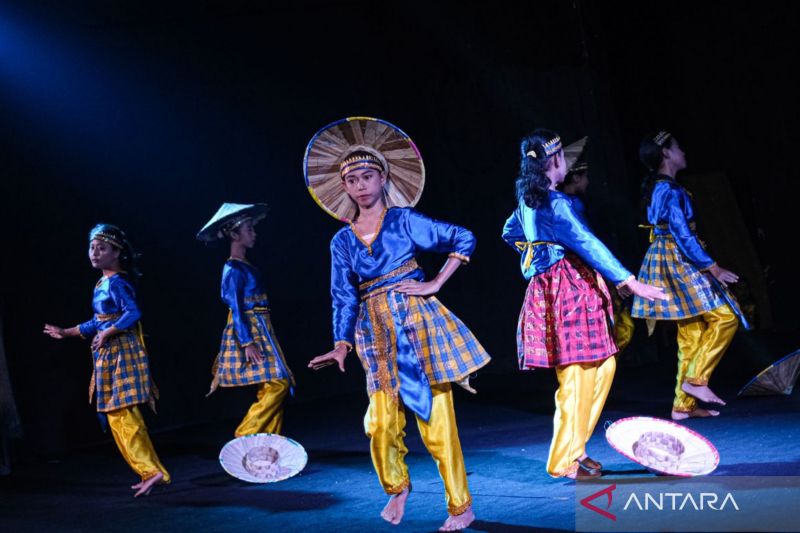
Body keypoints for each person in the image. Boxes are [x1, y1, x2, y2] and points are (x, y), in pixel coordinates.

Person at [305, 117, 490, 531]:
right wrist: (340, 344)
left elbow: (463, 237)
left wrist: (435, 282)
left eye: (367, 176)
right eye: (351, 179)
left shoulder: (405, 221)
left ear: (383, 177)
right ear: (345, 188)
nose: (360, 185)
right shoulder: (342, 241)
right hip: (374, 334)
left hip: (416, 323)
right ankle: (397, 486)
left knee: (438, 423)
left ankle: (461, 506)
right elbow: (342, 295)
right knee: (379, 424)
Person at [502, 129, 666, 480]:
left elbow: (509, 232)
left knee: (603, 365)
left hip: (560, 289)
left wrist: (537, 252)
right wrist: (629, 280)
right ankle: (565, 459)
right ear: (555, 161)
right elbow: (587, 243)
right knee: (578, 376)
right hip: (566, 291)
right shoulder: (555, 202)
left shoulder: (531, 200)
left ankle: (575, 449)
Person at [43, 224, 169, 496]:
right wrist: (67, 332)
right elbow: (97, 322)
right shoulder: (102, 282)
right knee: (119, 414)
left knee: (121, 411)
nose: (95, 252)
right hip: (109, 352)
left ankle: (151, 470)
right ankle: (151, 471)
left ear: (117, 252)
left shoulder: (118, 282)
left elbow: (132, 312)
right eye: (92, 247)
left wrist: (109, 331)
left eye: (102, 248)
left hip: (122, 352)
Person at [631, 131, 749, 420]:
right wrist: (712, 267)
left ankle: (682, 405)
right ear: (667, 154)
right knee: (726, 316)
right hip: (677, 258)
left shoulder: (663, 187)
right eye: (678, 147)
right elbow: (682, 234)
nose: (684, 152)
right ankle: (696, 380)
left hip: (669, 256)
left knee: (691, 332)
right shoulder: (668, 190)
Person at [197, 203, 295, 436]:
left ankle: (268, 445)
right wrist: (246, 341)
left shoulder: (244, 266)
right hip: (250, 328)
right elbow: (237, 307)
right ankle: (246, 433)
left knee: (275, 383)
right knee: (278, 383)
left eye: (252, 228)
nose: (254, 233)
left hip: (262, 325)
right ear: (233, 234)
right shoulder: (232, 269)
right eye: (249, 229)